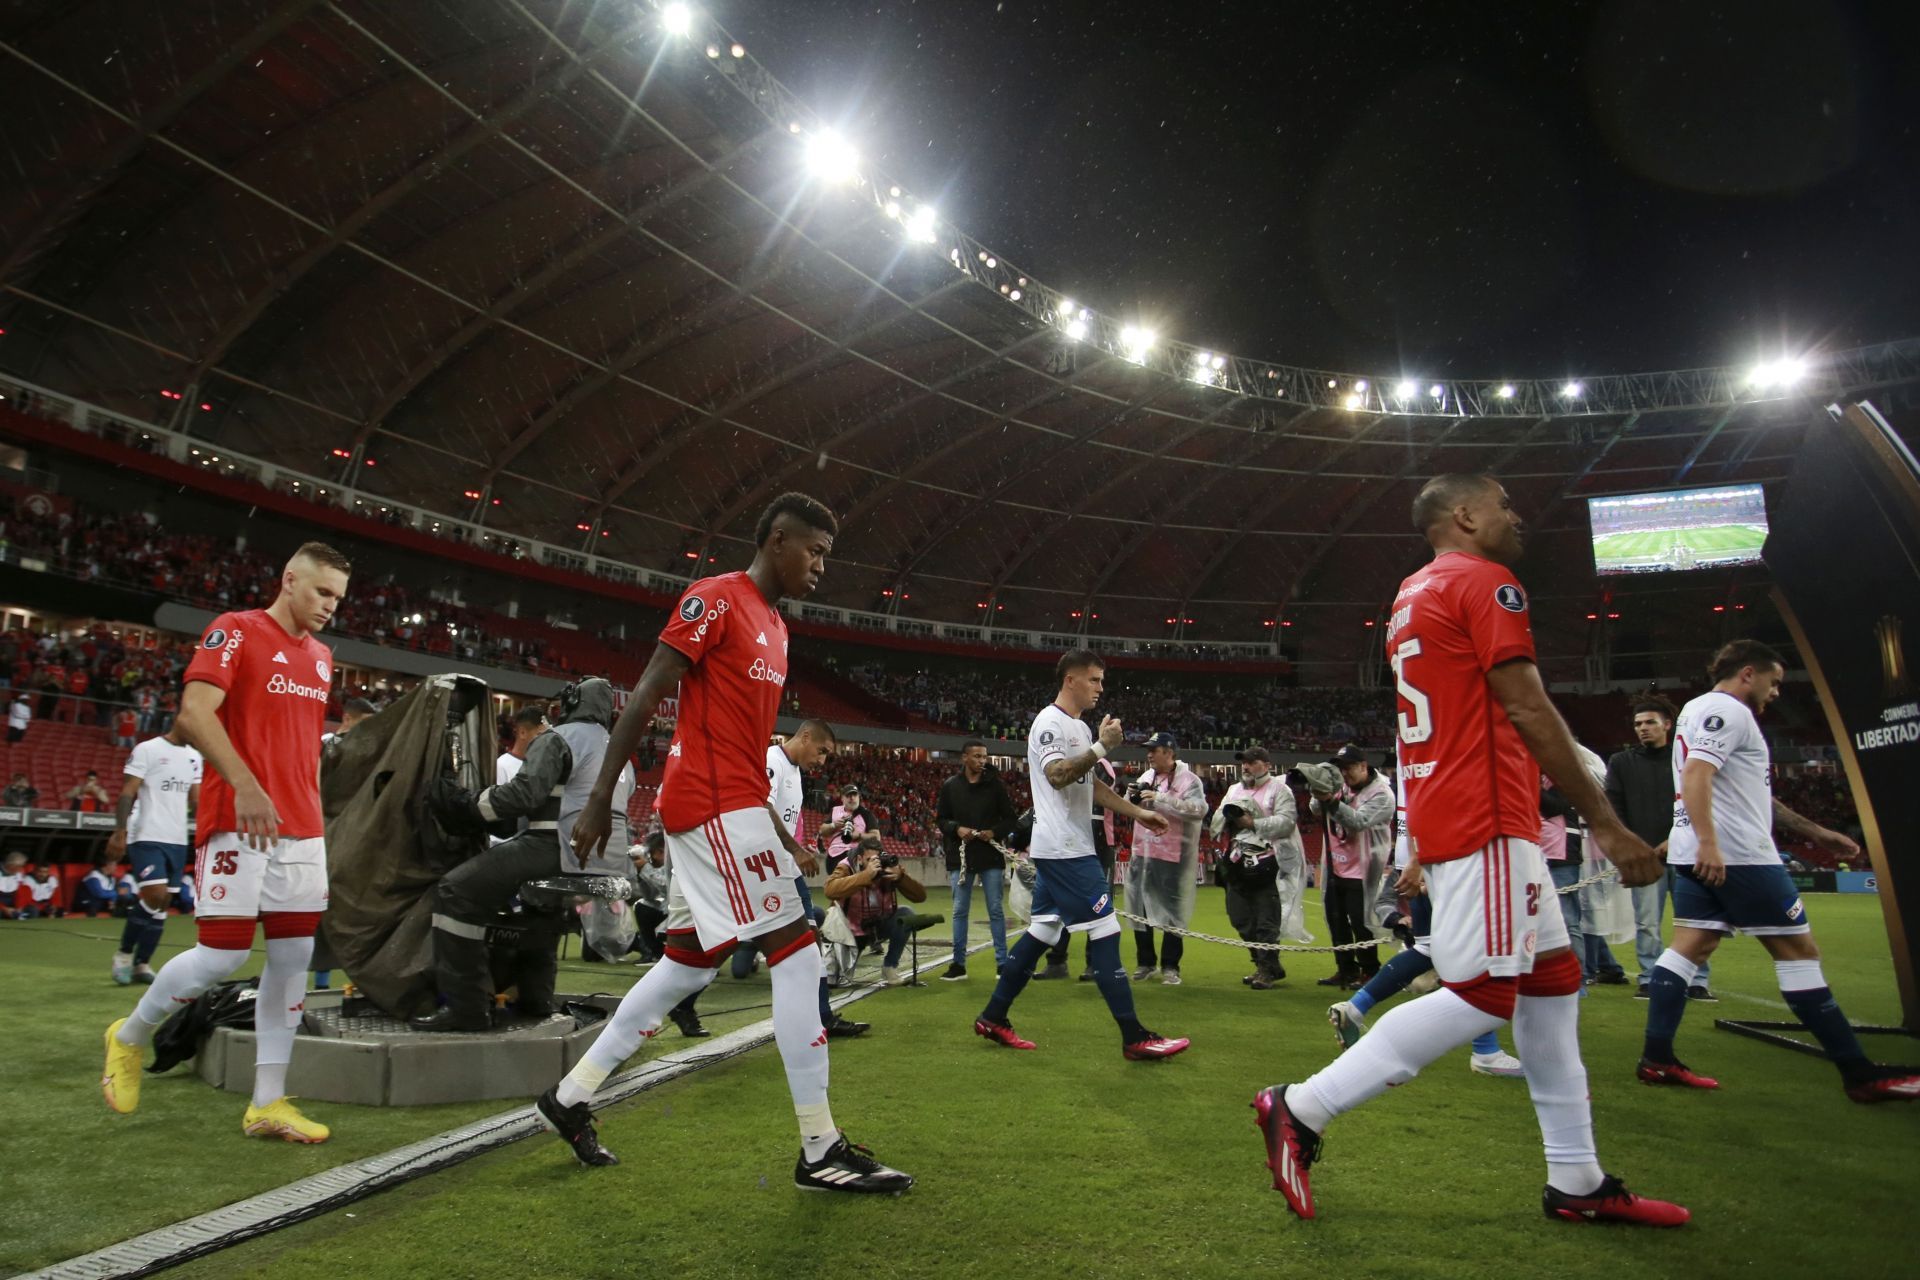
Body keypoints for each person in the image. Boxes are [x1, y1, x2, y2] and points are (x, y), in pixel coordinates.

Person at [1254, 473, 1685, 1226]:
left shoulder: (1410, 594)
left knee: (1551, 989)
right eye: (1503, 505)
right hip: (1488, 818)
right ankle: (1301, 1105)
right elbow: (1523, 703)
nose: (1516, 516)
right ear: (1464, 515)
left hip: (1467, 813)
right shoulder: (1487, 581)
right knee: (1484, 992)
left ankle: (1577, 1180)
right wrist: (1608, 825)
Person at [538, 492, 912, 1192]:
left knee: (687, 965)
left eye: (827, 555)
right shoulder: (715, 598)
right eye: (814, 551)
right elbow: (649, 690)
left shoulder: (775, 625)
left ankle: (568, 1098)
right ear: (776, 540)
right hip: (711, 806)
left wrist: (777, 831)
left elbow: (746, 749)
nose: (821, 567)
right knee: (798, 958)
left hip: (734, 805)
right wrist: (597, 802)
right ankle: (819, 1149)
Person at [101, 540, 353, 1145]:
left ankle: (267, 1102)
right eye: (321, 591)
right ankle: (131, 1035)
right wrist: (244, 783)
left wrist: (318, 813)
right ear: (289, 579)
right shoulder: (234, 630)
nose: (329, 607)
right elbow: (193, 712)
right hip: (239, 819)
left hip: (302, 829)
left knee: (293, 963)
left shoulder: (321, 656)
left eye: (338, 598)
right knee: (222, 957)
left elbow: (299, 746)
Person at [1637, 639, 1919, 1102]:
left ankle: (1657, 1058)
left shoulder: (1695, 709)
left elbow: (1740, 790)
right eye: (1774, 681)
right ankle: (1860, 1074)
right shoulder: (1728, 711)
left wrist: (1816, 832)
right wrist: (1711, 842)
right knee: (1799, 953)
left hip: (1699, 852)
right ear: (1749, 672)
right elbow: (1696, 776)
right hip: (1737, 856)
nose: (1776, 692)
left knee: (1691, 946)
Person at [971, 648, 1187, 1060]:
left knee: (1044, 931)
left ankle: (994, 1016)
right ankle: (1134, 1036)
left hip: (1066, 846)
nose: (1100, 688)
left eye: (1101, 681)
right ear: (1070, 679)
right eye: (1094, 680)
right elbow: (1057, 776)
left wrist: (1139, 811)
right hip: (1066, 850)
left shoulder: (1078, 727)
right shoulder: (1050, 722)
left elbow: (1088, 786)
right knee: (1106, 930)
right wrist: (1102, 747)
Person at [414, 678, 630, 1032]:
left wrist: (465, 804)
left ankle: (465, 1006)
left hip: (556, 845)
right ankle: (535, 999)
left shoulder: (560, 737)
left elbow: (522, 797)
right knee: (538, 913)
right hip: (604, 858)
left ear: (573, 701)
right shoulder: (618, 748)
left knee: (455, 891)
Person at [1605, 695, 1713, 1000]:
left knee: (1693, 920)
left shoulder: (1686, 761)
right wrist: (1633, 846)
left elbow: (1703, 801)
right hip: (1646, 856)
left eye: (1650, 722)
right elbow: (1614, 807)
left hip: (1687, 853)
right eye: (1638, 724)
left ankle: (1697, 980)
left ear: (1668, 725)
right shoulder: (1621, 762)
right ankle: (1650, 977)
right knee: (1647, 922)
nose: (1643, 728)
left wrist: (1676, 838)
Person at [766, 719, 867, 1037]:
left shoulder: (796, 774)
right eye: (821, 751)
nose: (822, 761)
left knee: (811, 944)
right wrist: (796, 850)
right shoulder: (773, 761)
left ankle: (822, 1017)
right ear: (805, 736)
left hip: (787, 873)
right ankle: (682, 997)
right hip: (763, 872)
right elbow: (761, 806)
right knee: (714, 951)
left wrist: (796, 854)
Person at [106, 723, 204, 985]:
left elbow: (196, 800)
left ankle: (142, 964)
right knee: (155, 894)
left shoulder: (195, 757)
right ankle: (124, 954)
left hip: (177, 838)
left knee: (164, 903)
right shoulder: (147, 749)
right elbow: (128, 791)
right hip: (146, 833)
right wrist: (120, 831)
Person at [1124, 732, 1207, 985]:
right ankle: (1145, 963)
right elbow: (1131, 808)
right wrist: (1131, 796)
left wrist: (1159, 797)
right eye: (1148, 749)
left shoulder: (1189, 780)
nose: (1149, 754)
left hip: (1172, 855)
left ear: (1169, 752)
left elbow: (1199, 810)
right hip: (1143, 852)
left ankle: (1171, 966)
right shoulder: (1145, 777)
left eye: (1155, 749)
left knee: (1172, 912)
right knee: (1140, 910)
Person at [1212, 748, 1298, 989]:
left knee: (1266, 920)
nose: (1246, 766)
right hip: (1238, 862)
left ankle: (1266, 968)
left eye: (1252, 762)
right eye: (1244, 763)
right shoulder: (1233, 790)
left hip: (1268, 863)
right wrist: (1229, 816)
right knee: (1239, 917)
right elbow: (1217, 819)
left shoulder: (1280, 790)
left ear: (1267, 765)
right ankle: (1265, 963)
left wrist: (1254, 822)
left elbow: (1287, 822)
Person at [1309, 745, 1392, 989]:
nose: (1345, 773)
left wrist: (1330, 800)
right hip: (1336, 864)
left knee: (1361, 922)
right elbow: (1315, 810)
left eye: (1350, 768)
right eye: (1341, 768)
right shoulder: (1341, 786)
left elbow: (1358, 821)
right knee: (1336, 920)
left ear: (1364, 766)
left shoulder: (1382, 794)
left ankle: (1370, 971)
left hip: (1363, 868)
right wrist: (1320, 791)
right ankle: (1345, 969)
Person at [937, 740, 1019, 981]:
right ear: (964, 758)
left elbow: (1010, 819)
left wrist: (994, 832)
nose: (982, 761)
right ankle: (958, 965)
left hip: (990, 856)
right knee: (959, 911)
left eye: (984, 756)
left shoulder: (995, 787)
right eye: (977, 756)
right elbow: (941, 819)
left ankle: (1003, 964)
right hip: (960, 857)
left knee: (995, 910)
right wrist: (957, 829)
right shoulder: (950, 786)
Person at [825, 835, 928, 985]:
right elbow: (829, 890)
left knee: (906, 914)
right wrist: (865, 876)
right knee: (835, 980)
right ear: (860, 859)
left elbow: (920, 896)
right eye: (869, 860)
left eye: (877, 859)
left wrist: (901, 877)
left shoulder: (887, 867)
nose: (875, 864)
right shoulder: (846, 867)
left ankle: (890, 967)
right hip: (848, 933)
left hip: (876, 927)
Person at [491, 705, 549, 845]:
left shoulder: (544, 769)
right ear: (522, 733)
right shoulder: (502, 766)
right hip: (506, 847)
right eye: (540, 735)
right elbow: (494, 815)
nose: (546, 742)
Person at [824, 784, 871, 872]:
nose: (852, 798)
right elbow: (822, 831)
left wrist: (858, 835)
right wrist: (834, 825)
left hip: (856, 852)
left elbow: (876, 837)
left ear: (858, 797)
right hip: (835, 854)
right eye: (848, 796)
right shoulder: (835, 810)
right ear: (842, 798)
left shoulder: (866, 814)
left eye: (854, 795)